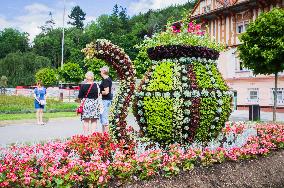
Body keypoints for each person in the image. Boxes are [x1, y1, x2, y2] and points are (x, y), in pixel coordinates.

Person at [99, 66, 113, 133]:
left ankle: (106, 135)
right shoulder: (108, 79)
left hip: (105, 100)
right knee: (103, 118)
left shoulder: (105, 80)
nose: (100, 72)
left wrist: (98, 92)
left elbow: (106, 92)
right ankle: (103, 134)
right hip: (107, 100)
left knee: (104, 118)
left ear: (103, 71)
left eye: (101, 71)